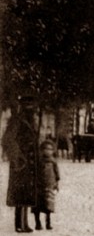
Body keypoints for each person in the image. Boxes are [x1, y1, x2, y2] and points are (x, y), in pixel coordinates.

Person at [3, 100, 38, 233]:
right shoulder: (17, 122)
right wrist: (18, 156)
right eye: (30, 109)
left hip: (28, 163)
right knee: (20, 193)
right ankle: (19, 224)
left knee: (26, 193)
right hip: (20, 163)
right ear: (24, 109)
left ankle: (24, 223)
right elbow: (8, 140)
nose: (32, 112)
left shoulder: (28, 122)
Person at [34, 140, 59, 231]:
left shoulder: (53, 162)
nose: (47, 151)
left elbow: (57, 173)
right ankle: (38, 223)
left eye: (49, 149)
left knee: (48, 206)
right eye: (45, 149)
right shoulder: (39, 161)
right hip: (39, 185)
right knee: (37, 205)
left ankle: (48, 223)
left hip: (49, 185)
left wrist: (56, 183)